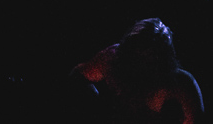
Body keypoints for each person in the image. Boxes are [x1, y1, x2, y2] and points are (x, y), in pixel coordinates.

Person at [69, 17, 204, 124]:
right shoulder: (111, 59)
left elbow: (194, 120)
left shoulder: (180, 85)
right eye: (137, 58)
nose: (141, 66)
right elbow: (78, 76)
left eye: (149, 60)